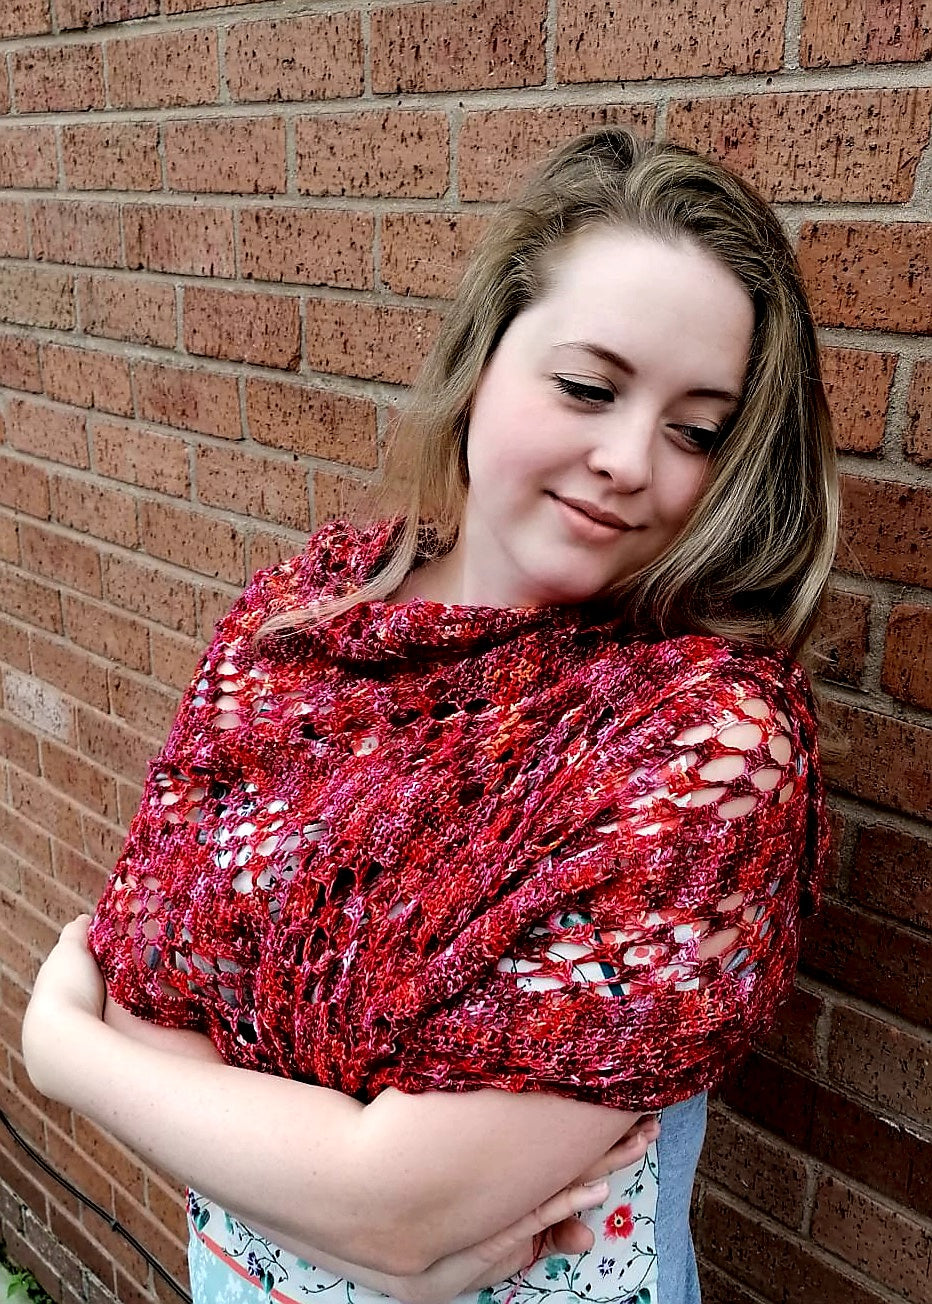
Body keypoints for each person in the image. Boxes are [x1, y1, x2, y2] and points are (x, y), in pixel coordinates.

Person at [22, 128, 837, 1304]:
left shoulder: (705, 741)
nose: (625, 458)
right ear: (483, 354)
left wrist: (66, 1054)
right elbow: (158, 1001)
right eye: (587, 386)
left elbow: (400, 1204)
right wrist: (357, 1220)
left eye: (695, 429)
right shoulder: (307, 621)